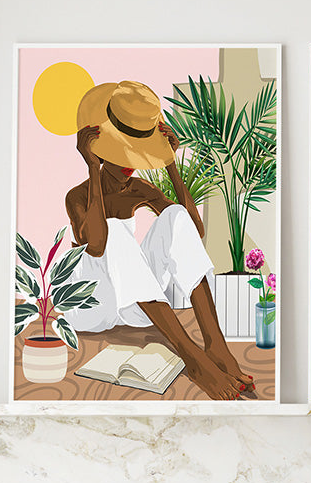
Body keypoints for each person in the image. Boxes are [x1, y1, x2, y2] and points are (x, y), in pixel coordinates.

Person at [65, 79, 254, 399]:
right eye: (120, 151)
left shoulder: (140, 190)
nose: (129, 162)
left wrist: (171, 165)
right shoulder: (77, 196)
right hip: (93, 307)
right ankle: (194, 360)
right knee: (118, 240)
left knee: (175, 215)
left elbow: (193, 231)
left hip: (133, 302)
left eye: (136, 153)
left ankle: (216, 344)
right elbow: (96, 245)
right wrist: (93, 168)